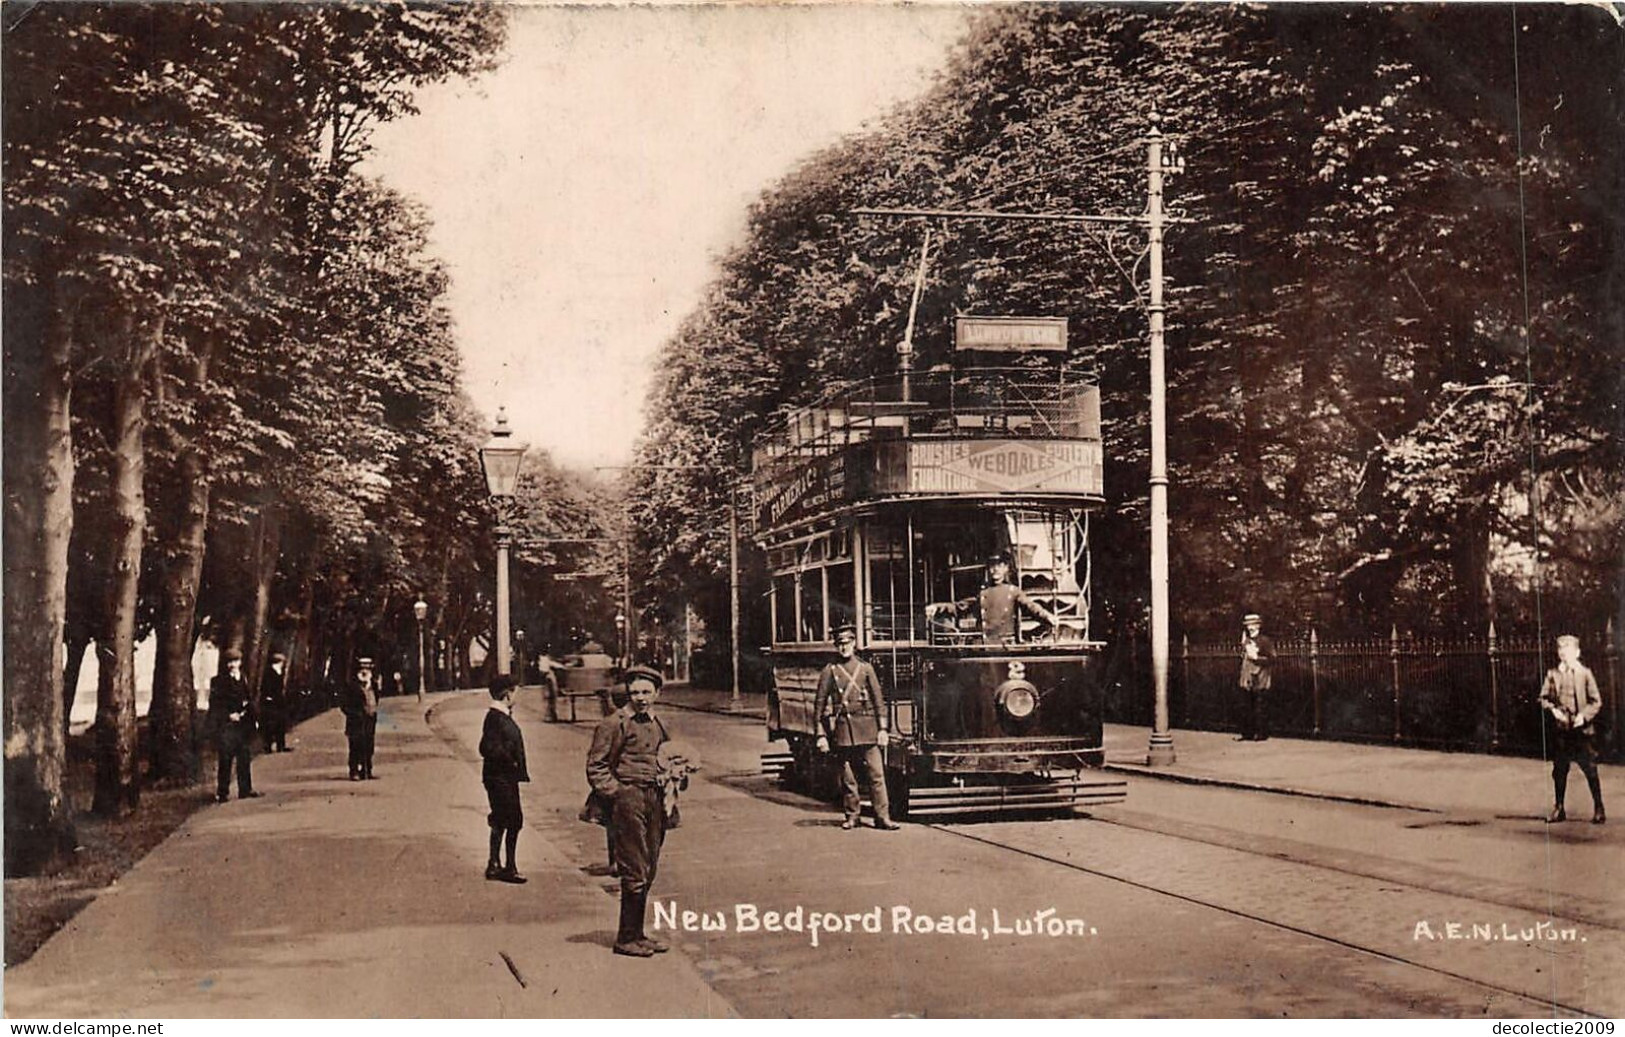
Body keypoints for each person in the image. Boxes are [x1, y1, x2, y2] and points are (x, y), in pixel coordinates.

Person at [586, 665, 674, 957]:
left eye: (647, 692)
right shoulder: (614, 723)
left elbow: (668, 758)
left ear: (657, 694)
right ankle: (625, 938)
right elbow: (596, 766)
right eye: (635, 692)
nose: (641, 698)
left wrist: (675, 776)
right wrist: (619, 794)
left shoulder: (659, 723)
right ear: (627, 694)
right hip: (630, 798)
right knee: (634, 868)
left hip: (656, 799)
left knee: (649, 866)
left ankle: (638, 933)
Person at [813, 623, 899, 831]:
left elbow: (879, 701)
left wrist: (883, 729)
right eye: (840, 644)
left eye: (848, 642)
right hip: (844, 731)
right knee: (848, 778)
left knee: (876, 775)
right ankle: (852, 816)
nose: (844, 647)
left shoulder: (865, 668)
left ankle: (882, 817)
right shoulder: (830, 671)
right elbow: (819, 703)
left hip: (868, 729)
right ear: (836, 646)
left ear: (854, 643)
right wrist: (820, 734)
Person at [1539, 635, 1605, 824]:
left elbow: (1596, 701)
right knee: (1559, 769)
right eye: (1560, 649)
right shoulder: (1553, 674)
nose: (1563, 653)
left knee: (1590, 768)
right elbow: (1543, 698)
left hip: (1581, 730)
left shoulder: (1584, 673)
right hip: (1562, 730)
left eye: (1567, 650)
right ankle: (1559, 808)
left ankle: (1599, 807)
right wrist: (1553, 711)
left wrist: (1583, 716)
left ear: (1577, 653)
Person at [479, 674, 530, 882]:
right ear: (507, 694)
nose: (517, 694)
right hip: (500, 777)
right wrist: (511, 761)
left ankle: (495, 864)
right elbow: (486, 747)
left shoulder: (499, 715)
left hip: (501, 777)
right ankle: (508, 867)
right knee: (514, 820)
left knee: (501, 818)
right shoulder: (496, 717)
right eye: (515, 691)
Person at [580, 685, 633, 875]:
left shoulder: (613, 720)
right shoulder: (611, 723)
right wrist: (610, 788)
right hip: (615, 784)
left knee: (615, 826)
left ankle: (619, 862)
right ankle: (618, 862)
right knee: (615, 824)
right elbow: (596, 762)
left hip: (621, 784)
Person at [208, 649, 262, 803]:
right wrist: (228, 715)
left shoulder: (243, 678)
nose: (233, 665)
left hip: (242, 725)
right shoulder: (218, 681)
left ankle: (245, 789)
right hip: (227, 725)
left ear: (240, 662)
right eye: (230, 662)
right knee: (226, 758)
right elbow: (216, 704)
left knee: (244, 756)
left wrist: (253, 718)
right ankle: (222, 792)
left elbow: (248, 699)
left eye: (236, 661)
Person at [343, 657, 381, 780]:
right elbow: (344, 704)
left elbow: (376, 699)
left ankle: (367, 770)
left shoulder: (374, 684)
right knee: (355, 746)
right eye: (362, 668)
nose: (365, 671)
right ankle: (354, 771)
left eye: (367, 667)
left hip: (369, 719)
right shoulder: (352, 685)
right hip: (355, 721)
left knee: (369, 746)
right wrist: (353, 713)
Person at [1238, 613, 1273, 741]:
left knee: (1260, 705)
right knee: (1246, 705)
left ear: (1258, 625)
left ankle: (1261, 733)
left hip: (1260, 676)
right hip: (1248, 676)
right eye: (1248, 625)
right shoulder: (1247, 641)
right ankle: (1247, 733)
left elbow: (1272, 658)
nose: (1250, 627)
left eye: (1253, 624)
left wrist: (1257, 658)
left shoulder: (1265, 641)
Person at [260, 651, 291, 753]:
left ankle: (280, 745)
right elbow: (266, 688)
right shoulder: (269, 672)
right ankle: (268, 746)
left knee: (281, 723)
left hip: (279, 701)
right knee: (270, 724)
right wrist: (269, 697)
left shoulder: (280, 672)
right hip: (270, 702)